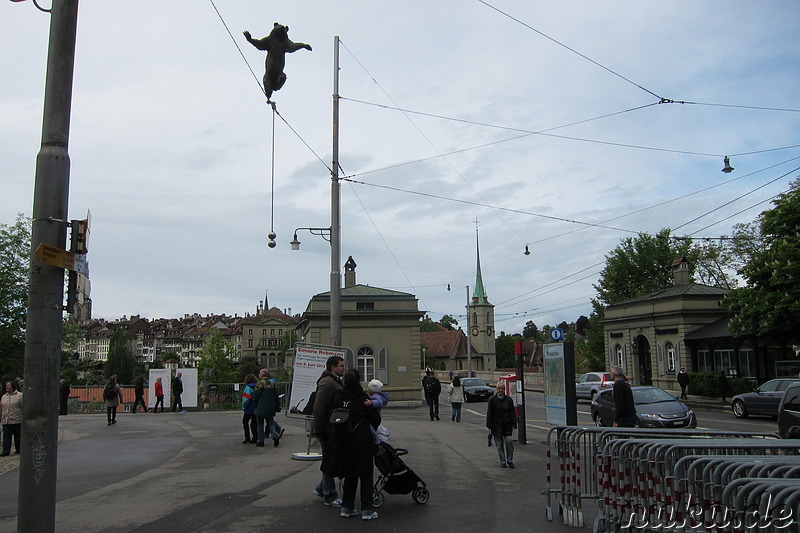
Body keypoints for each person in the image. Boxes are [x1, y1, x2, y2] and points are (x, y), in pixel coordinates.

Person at [324, 369, 381, 521]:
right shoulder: (362, 398)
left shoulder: (338, 397)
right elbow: (375, 420)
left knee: (349, 474)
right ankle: (367, 509)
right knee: (366, 474)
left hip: (343, 441)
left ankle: (347, 507)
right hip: (361, 441)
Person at [311, 355, 345, 506]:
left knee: (331, 459)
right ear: (333, 367)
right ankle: (329, 495)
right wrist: (319, 430)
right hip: (327, 428)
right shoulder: (327, 383)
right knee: (329, 460)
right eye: (341, 366)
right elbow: (319, 408)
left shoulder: (334, 381)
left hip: (332, 427)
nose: (343, 368)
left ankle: (321, 488)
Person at [486, 381, 517, 468]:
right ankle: (503, 461)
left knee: (509, 442)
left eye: (502, 388)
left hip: (507, 425)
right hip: (496, 426)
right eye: (499, 388)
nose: (501, 390)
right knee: (499, 445)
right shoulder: (492, 400)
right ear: (497, 389)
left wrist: (514, 423)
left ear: (504, 389)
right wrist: (489, 424)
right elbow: (489, 413)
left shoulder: (509, 400)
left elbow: (512, 413)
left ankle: (510, 460)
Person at [252, 369, 281, 448]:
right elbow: (276, 396)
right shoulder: (272, 383)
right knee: (270, 422)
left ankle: (260, 441)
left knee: (260, 424)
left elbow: (255, 395)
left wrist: (255, 403)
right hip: (270, 407)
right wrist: (277, 405)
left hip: (261, 407)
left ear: (262, 375)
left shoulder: (260, 383)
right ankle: (275, 436)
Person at [0, 381, 22, 456]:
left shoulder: (19, 395)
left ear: (12, 386)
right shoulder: (4, 396)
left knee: (18, 437)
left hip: (16, 420)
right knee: (6, 437)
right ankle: (5, 451)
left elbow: (22, 407)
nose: (7, 387)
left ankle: (18, 449)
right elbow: (1, 408)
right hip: (6, 420)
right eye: (6, 385)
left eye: (8, 385)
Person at [241, 374, 258, 444]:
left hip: (249, 408)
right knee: (254, 423)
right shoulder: (257, 386)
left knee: (245, 422)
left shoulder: (248, 388)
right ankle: (255, 437)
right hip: (256, 407)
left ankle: (247, 438)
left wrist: (244, 406)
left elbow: (246, 399)